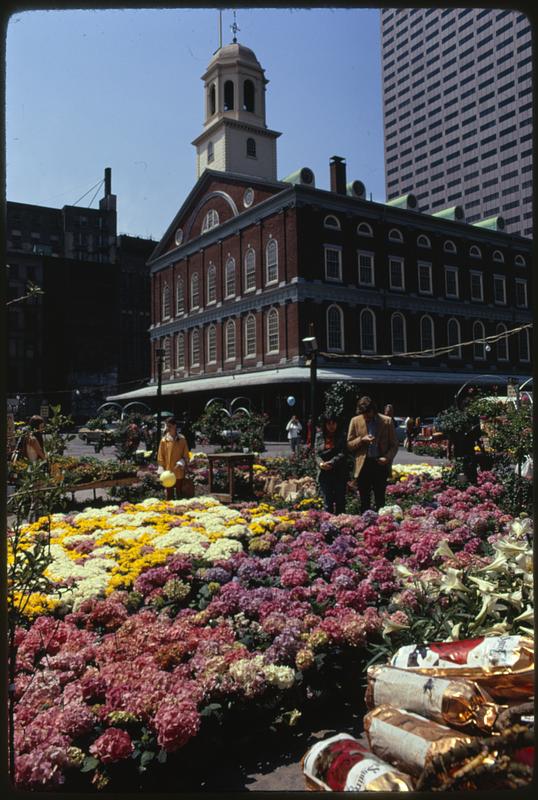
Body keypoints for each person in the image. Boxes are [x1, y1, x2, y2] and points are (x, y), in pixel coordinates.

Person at [347, 396, 399, 513]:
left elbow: (394, 444)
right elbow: (349, 445)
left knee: (380, 500)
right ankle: (365, 525)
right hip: (363, 465)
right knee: (364, 500)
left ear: (374, 410)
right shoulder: (355, 421)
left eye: (368, 414)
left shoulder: (387, 421)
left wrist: (387, 457)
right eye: (363, 415)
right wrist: (361, 440)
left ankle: (381, 527)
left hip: (379, 464)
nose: (366, 417)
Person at [315, 414, 348, 514]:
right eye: (328, 423)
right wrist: (321, 464)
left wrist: (331, 462)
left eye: (334, 423)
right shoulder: (319, 436)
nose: (331, 426)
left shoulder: (342, 436)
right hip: (324, 473)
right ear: (325, 424)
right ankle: (327, 526)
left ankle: (341, 525)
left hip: (338, 472)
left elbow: (343, 453)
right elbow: (316, 453)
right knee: (327, 502)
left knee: (340, 502)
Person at [449, 395, 482, 484]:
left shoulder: (474, 419)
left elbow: (478, 434)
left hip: (468, 447)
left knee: (470, 466)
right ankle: (462, 483)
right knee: (462, 467)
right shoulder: (460, 419)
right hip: (461, 446)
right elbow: (451, 435)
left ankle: (469, 483)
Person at [157, 417, 190, 499]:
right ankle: (169, 511)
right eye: (166, 426)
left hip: (179, 471)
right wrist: (161, 468)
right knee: (169, 494)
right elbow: (161, 455)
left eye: (169, 426)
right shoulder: (164, 440)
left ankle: (179, 510)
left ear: (174, 426)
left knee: (179, 492)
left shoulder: (182, 439)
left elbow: (186, 455)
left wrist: (181, 463)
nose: (167, 428)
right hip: (168, 473)